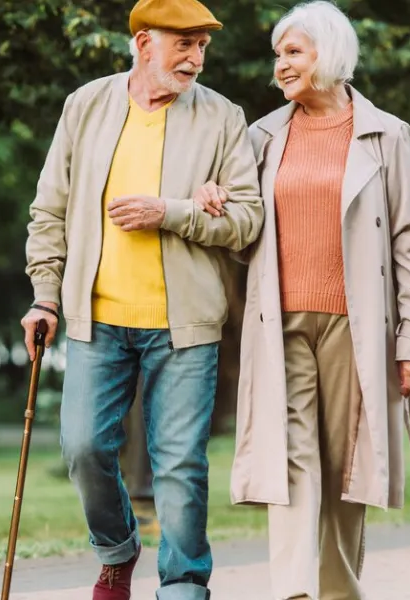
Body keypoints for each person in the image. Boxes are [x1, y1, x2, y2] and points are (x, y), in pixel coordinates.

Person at [20, 0, 264, 597]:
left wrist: (172, 212)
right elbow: (49, 209)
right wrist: (45, 297)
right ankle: (117, 549)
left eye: (202, 46)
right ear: (144, 42)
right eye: (184, 44)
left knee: (180, 465)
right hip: (96, 320)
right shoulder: (86, 105)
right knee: (83, 448)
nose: (196, 58)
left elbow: (247, 220)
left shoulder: (222, 117)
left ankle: (183, 585)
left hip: (185, 325)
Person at [205, 2, 410, 599]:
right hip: (279, 321)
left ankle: (338, 591)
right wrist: (216, 199)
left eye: (294, 52)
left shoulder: (388, 135)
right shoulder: (260, 137)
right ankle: (295, 592)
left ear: (331, 54)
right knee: (290, 457)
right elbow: (243, 230)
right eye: (278, 55)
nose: (280, 66)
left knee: (345, 463)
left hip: (355, 324)